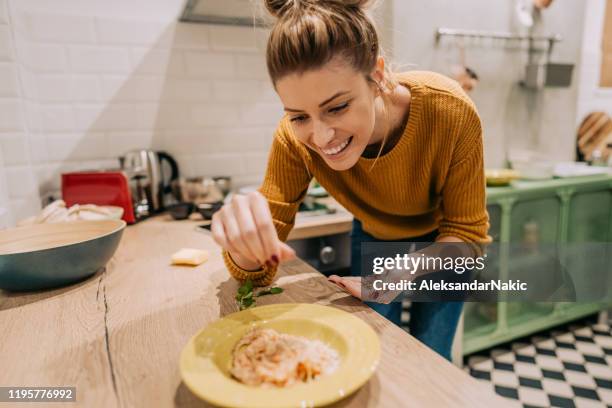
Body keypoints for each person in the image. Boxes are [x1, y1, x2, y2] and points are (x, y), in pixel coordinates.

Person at [210, 0, 490, 361]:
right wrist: (244, 249)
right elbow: (257, 267)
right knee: (367, 353)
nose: (322, 137)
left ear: (377, 75)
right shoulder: (293, 140)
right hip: (374, 235)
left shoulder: (449, 110)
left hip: (445, 244)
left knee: (431, 355)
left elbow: (467, 234)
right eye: (299, 116)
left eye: (337, 107)